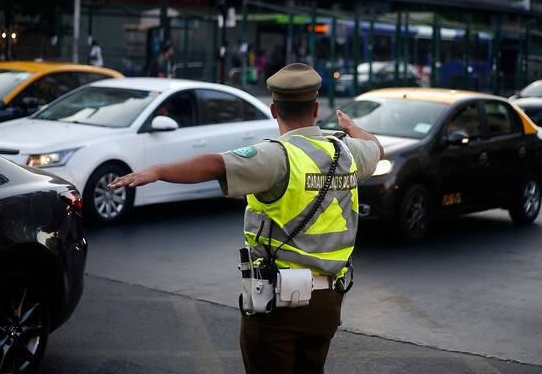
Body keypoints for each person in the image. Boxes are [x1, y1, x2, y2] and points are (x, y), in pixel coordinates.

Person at [109, 63, 383, 373]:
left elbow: (215, 164)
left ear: (273, 110)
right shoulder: (347, 153)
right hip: (328, 304)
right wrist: (351, 128)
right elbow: (376, 148)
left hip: (280, 304)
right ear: (317, 108)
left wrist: (157, 171)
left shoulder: (278, 156)